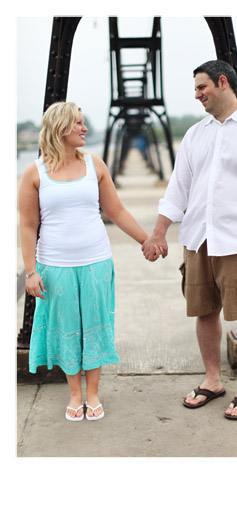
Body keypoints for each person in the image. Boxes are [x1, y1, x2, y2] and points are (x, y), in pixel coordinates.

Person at [142, 60, 237, 421]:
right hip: (198, 239)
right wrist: (159, 232)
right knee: (204, 311)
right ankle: (212, 380)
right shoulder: (195, 134)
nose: (197, 95)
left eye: (202, 87)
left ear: (223, 83)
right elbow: (177, 189)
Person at [19, 101, 154, 421]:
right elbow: (27, 225)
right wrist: (30, 271)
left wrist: (146, 240)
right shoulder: (34, 172)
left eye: (83, 122)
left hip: (96, 262)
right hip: (55, 268)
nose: (84, 128)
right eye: (78, 123)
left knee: (94, 328)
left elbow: (116, 211)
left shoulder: (95, 165)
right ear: (60, 128)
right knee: (66, 329)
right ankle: (75, 395)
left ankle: (93, 394)